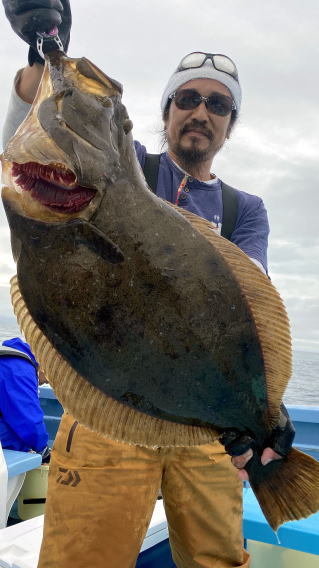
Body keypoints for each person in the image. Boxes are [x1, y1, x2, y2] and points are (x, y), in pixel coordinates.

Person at [1, 2, 295, 567]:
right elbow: (34, 139)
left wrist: (262, 411)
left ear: (231, 123)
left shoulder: (246, 210)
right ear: (166, 111)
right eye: (188, 99)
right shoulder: (124, 164)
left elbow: (248, 295)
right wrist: (42, 51)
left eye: (218, 104)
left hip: (205, 433)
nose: (201, 112)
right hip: (108, 409)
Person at [0, 337, 50, 461]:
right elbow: (29, 420)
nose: (46, 382)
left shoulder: (8, 360)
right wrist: (44, 451)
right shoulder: (20, 370)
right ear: (45, 364)